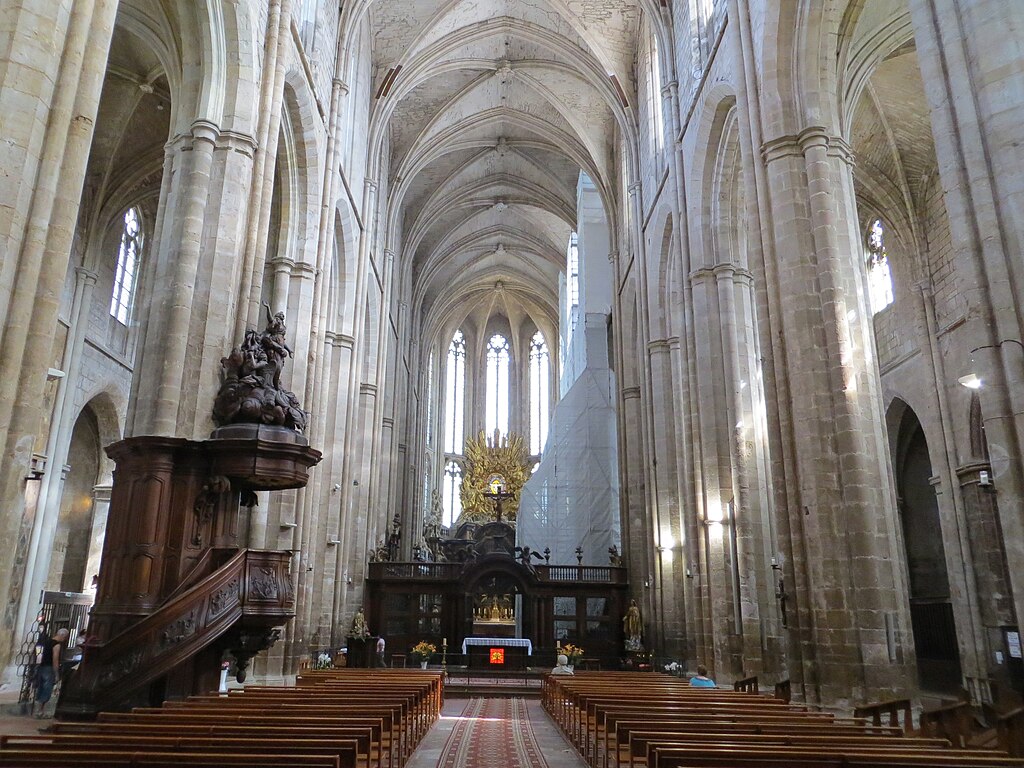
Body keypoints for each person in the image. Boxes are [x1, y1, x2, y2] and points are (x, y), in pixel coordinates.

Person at [33, 627, 69, 718]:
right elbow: (55, 659)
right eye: (65, 638)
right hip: (49, 668)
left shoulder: (46, 641)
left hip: (41, 666)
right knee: (47, 689)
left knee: (41, 687)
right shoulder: (56, 645)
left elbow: (38, 653)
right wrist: (56, 673)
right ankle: (40, 711)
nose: (64, 640)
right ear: (62, 635)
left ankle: (38, 711)